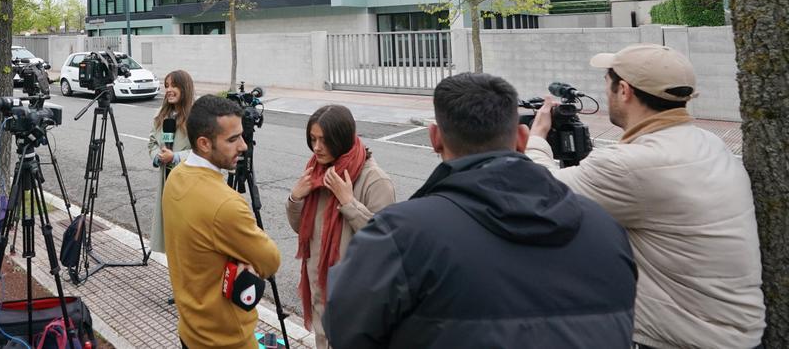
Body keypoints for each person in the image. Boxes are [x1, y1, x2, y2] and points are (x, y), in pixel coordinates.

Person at [325, 72, 636, 348]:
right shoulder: (606, 228)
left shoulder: (399, 236)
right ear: (522, 139)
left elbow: (344, 328)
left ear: (435, 138)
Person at [526, 44, 765, 348]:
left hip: (684, 341)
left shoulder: (631, 165)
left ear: (624, 90)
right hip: (736, 334)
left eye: (607, 83)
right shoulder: (709, 143)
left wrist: (536, 139)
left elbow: (541, 192)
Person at [163, 95, 281, 349]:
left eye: (241, 135)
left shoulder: (177, 176)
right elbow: (270, 261)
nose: (244, 146)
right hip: (226, 340)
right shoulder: (226, 205)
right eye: (232, 139)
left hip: (190, 329)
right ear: (204, 143)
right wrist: (244, 260)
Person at [286, 104, 396, 349]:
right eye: (312, 139)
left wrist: (348, 202)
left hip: (357, 303)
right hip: (321, 294)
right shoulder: (315, 172)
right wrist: (295, 198)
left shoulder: (374, 180)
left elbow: (387, 244)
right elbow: (302, 230)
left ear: (342, 138)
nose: (317, 147)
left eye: (324, 140)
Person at [146, 69, 195, 253]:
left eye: (174, 85)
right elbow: (151, 143)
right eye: (166, 86)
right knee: (170, 232)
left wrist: (175, 157)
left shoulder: (196, 117)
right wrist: (157, 156)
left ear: (185, 88)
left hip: (188, 183)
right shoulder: (161, 115)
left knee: (187, 236)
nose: (169, 90)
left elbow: (204, 152)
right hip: (166, 181)